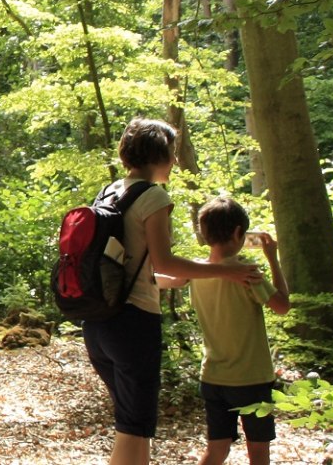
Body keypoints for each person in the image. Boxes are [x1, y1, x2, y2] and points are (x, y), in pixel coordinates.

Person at [81, 118, 263, 465]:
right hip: (134, 326)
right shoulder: (153, 196)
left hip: (98, 324)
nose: (176, 162)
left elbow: (140, 269)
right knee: (136, 427)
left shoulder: (108, 193)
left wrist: (169, 280)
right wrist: (226, 272)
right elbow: (165, 261)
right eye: (173, 153)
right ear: (160, 155)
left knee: (129, 424)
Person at [161, 197, 292, 465]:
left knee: (216, 449)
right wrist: (273, 259)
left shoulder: (196, 272)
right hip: (251, 379)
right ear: (238, 233)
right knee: (258, 452)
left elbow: (162, 279)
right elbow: (282, 305)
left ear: (204, 233)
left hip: (213, 377)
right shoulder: (246, 273)